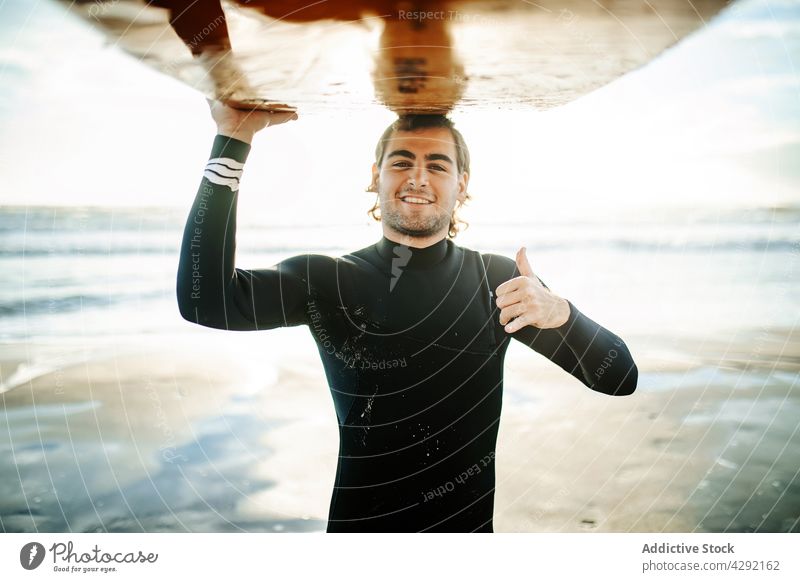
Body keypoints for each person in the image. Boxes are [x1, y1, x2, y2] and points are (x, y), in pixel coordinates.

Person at [176, 100, 638, 532]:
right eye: (401, 162)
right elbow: (205, 301)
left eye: (437, 165)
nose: (418, 177)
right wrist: (233, 138)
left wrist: (562, 314)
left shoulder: (494, 281)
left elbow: (618, 378)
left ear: (463, 185)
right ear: (376, 175)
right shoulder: (327, 281)